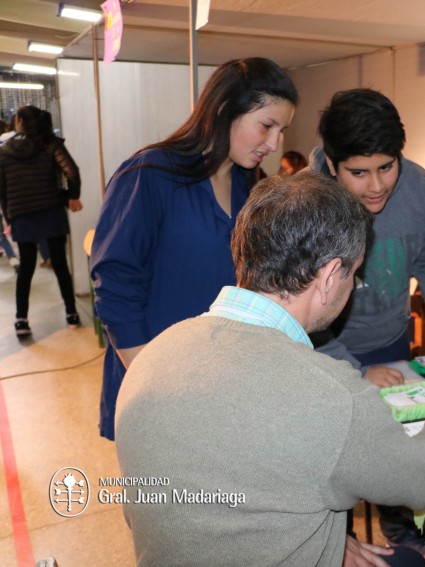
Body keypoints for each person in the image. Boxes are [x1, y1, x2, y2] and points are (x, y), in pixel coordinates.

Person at [115, 172, 425, 567]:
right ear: (329, 277)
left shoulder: (153, 356)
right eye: (353, 272)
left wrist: (328, 542)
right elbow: (419, 482)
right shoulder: (330, 393)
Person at [91, 58, 298, 441]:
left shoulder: (251, 187)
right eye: (266, 126)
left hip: (218, 380)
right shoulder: (150, 175)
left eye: (281, 131)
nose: (273, 144)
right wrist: (152, 382)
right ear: (223, 110)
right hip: (154, 380)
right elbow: (116, 287)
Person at [313, 89, 425, 555]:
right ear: (331, 163)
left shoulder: (420, 186)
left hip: (391, 343)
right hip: (322, 357)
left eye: (387, 167)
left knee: (396, 447)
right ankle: (338, 546)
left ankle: (401, 529)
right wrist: (352, 368)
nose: (376, 185)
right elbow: (294, 309)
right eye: (358, 173)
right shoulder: (307, 202)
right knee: (336, 464)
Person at [0, 105, 83, 338]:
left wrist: (10, 217)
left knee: (25, 268)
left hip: (22, 215)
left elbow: (2, 190)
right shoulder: (50, 144)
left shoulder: (5, 151)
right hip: (51, 211)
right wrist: (71, 197)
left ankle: (21, 320)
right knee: (59, 264)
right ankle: (72, 314)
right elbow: (72, 172)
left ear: (19, 122)